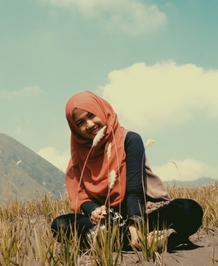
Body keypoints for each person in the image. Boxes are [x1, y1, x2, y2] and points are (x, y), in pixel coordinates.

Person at [51, 91, 204, 250]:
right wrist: (94, 209)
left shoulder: (130, 139)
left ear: (103, 111)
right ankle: (147, 241)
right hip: (109, 222)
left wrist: (134, 222)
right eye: (80, 122)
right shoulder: (79, 155)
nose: (89, 124)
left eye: (91, 115)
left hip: (142, 214)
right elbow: (80, 197)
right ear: (74, 128)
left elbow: (134, 189)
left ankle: (116, 241)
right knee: (60, 224)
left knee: (189, 209)